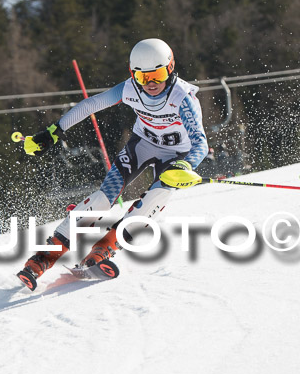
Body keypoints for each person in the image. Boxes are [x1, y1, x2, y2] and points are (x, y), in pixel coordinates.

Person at [17, 38, 208, 290]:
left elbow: (200, 144)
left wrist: (185, 166)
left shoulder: (183, 98)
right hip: (142, 145)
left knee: (154, 199)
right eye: (143, 78)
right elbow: (91, 104)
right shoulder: (129, 89)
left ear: (170, 69)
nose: (151, 84)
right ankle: (43, 258)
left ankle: (104, 249)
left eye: (158, 75)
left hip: (175, 156)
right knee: (102, 199)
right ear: (133, 74)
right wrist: (54, 131)